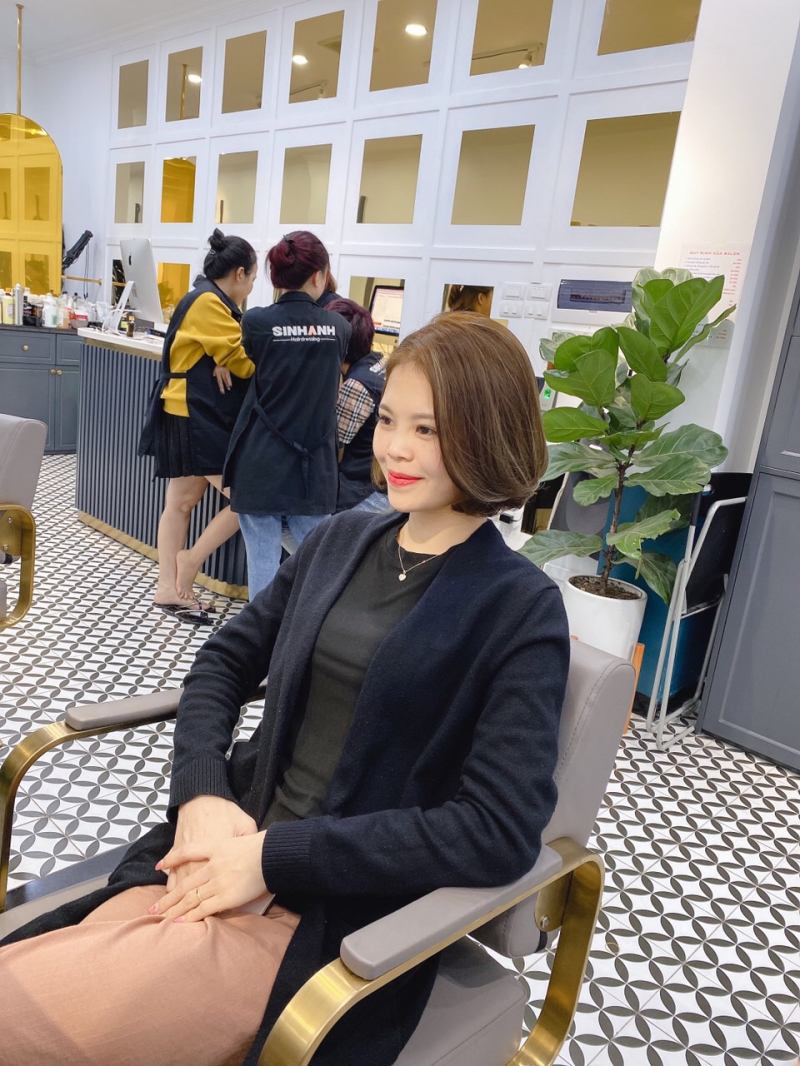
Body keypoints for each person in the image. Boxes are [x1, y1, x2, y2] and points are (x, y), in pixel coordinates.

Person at [0, 313, 570, 1066]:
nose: (395, 448)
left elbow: (496, 830)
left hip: (323, 921)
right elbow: (222, 664)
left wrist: (275, 858)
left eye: (428, 430)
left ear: (489, 436)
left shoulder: (519, 606)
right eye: (388, 420)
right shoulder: (339, 542)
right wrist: (203, 795)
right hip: (220, 853)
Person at [138, 229, 257, 625]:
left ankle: (167, 588)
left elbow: (225, 349)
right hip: (195, 416)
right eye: (252, 279)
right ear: (239, 273)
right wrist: (230, 358)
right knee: (247, 500)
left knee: (181, 504)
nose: (251, 288)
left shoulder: (207, 298)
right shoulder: (209, 302)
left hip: (185, 411)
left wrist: (222, 356)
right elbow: (244, 362)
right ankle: (187, 563)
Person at [223, 231, 351, 597]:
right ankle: (304, 632)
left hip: (260, 462)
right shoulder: (339, 328)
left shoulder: (256, 323)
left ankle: (260, 633)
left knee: (262, 570)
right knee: (315, 573)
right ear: (319, 276)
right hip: (313, 470)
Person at [325, 296, 391, 513]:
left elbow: (333, 449)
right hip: (380, 480)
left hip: (362, 488)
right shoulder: (381, 362)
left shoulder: (356, 386)